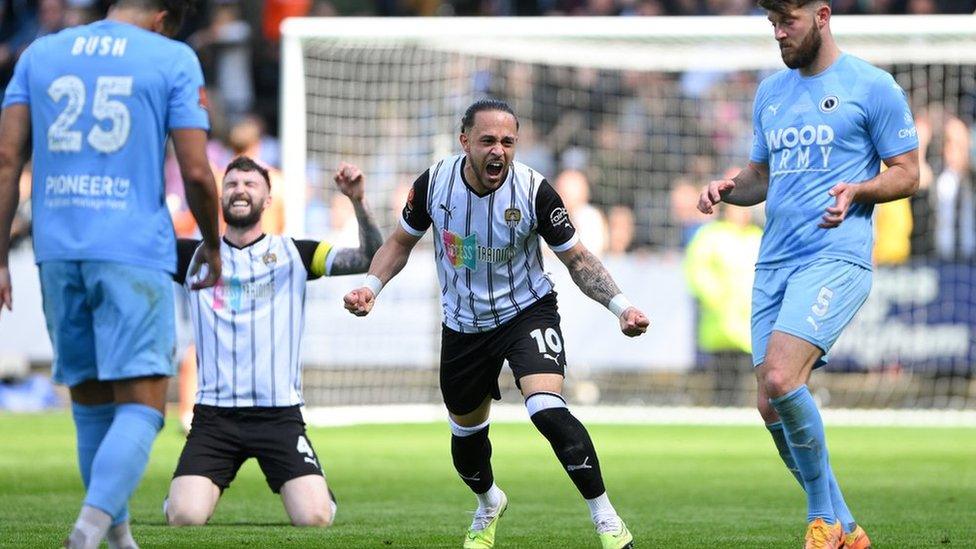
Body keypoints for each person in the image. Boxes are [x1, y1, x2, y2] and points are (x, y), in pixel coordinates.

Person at [343, 99, 649, 549]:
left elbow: (578, 260)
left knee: (546, 408)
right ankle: (489, 502)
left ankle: (606, 518)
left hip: (527, 310)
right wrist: (372, 286)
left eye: (508, 141)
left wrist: (621, 306)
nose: (499, 151)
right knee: (466, 441)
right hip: (464, 325)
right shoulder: (433, 185)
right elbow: (399, 243)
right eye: (488, 140)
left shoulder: (534, 191)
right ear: (464, 140)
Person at [696, 0, 919, 547]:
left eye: (787, 21)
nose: (778, 33)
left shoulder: (873, 85)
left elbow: (909, 173)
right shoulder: (770, 94)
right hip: (775, 262)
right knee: (769, 402)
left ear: (821, 16)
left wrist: (860, 189)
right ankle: (848, 528)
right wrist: (730, 188)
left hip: (834, 256)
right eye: (772, 23)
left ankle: (820, 521)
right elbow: (761, 177)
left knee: (780, 377)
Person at [0, 1, 223, 548]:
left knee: (92, 406)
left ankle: (119, 538)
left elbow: (6, 160)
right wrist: (214, 243)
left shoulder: (40, 51)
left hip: (56, 249)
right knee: (145, 406)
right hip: (131, 248)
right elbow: (195, 169)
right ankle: (86, 533)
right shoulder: (172, 58)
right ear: (166, 16)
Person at [164, 157, 382, 527]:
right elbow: (131, 255)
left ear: (267, 200)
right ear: (220, 197)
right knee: (184, 517)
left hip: (279, 416)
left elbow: (369, 256)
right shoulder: (191, 255)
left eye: (251, 185)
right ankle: (179, 494)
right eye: (232, 184)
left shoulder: (297, 253)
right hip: (214, 418)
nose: (240, 190)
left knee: (315, 519)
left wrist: (358, 202)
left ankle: (319, 494)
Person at [683, 201, 761, 406]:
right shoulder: (710, 236)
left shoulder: (757, 237)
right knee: (721, 375)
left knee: (744, 374)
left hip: (747, 322)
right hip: (720, 321)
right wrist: (714, 296)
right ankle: (721, 408)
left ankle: (736, 411)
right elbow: (696, 270)